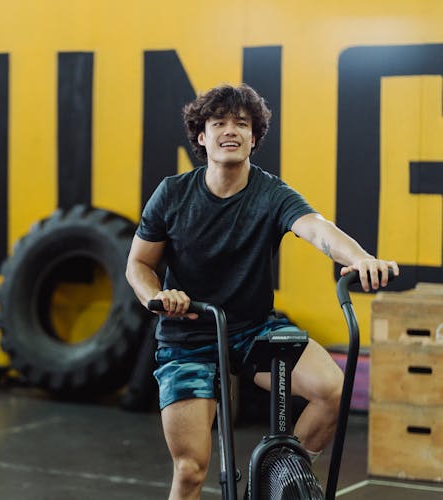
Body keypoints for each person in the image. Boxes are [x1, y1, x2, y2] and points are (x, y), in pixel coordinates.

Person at [125, 83, 399, 500]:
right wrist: (158, 300)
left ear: (254, 138)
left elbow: (318, 229)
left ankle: (275, 475)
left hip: (253, 329)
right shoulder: (173, 193)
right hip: (188, 337)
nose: (230, 130)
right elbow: (139, 265)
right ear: (202, 136)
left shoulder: (271, 193)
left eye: (242, 123)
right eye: (219, 123)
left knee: (334, 392)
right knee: (191, 470)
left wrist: (361, 258)